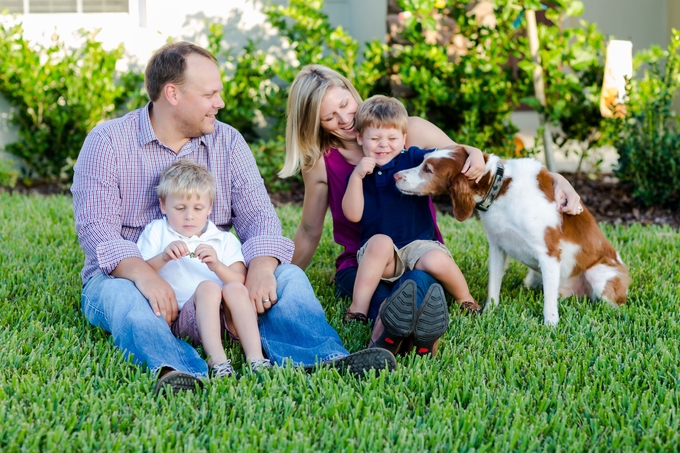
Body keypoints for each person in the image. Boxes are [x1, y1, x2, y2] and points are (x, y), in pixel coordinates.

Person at [71, 42, 396, 395]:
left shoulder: (228, 141)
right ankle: (175, 372)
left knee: (286, 276)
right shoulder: (108, 141)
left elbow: (259, 216)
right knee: (121, 296)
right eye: (210, 94)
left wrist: (259, 269)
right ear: (172, 94)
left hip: (217, 285)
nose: (220, 103)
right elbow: (96, 230)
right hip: (137, 279)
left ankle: (323, 358)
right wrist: (145, 277)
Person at [279, 64, 582, 356]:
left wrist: (555, 179)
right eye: (330, 117)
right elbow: (308, 230)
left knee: (418, 280)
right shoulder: (321, 162)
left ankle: (399, 333)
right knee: (380, 295)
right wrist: (283, 278)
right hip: (363, 265)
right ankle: (397, 332)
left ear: (351, 91)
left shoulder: (410, 130)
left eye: (345, 104)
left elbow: (468, 162)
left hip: (420, 254)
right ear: (314, 124)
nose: (345, 118)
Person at [342, 96, 478, 355]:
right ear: (360, 138)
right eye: (375, 139)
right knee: (380, 241)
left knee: (437, 260)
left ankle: (466, 300)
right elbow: (353, 214)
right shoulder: (360, 172)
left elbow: (450, 158)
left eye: (392, 139)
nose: (384, 145)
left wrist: (473, 153)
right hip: (383, 255)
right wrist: (358, 176)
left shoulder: (415, 159)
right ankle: (357, 309)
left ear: (404, 139)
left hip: (419, 245)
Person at [136, 159, 272, 377]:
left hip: (227, 319)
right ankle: (218, 362)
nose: (189, 216)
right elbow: (140, 271)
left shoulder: (223, 239)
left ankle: (256, 358)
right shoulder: (157, 232)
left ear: (209, 207)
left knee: (234, 288)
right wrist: (163, 257)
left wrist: (217, 265)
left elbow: (240, 281)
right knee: (208, 287)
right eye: (180, 208)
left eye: (198, 208)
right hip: (185, 319)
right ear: (163, 205)